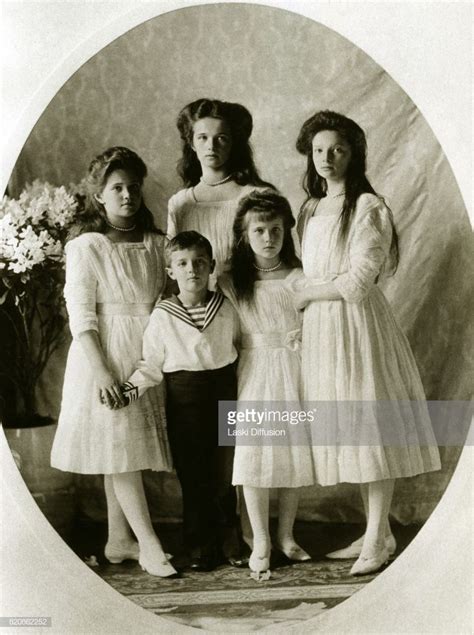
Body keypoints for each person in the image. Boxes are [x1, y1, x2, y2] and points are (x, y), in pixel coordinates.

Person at [294, 111, 441, 575]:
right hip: (322, 330)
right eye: (319, 150)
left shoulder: (368, 206)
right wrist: (306, 310)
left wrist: (304, 296)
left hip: (356, 327)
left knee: (369, 426)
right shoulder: (311, 209)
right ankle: (377, 532)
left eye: (337, 149)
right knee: (350, 430)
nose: (327, 159)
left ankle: (377, 539)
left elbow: (358, 282)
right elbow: (314, 270)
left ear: (354, 153)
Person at [50, 147, 177, 578]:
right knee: (120, 449)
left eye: (133, 187)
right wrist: (101, 369)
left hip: (146, 351)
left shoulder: (158, 244)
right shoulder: (86, 246)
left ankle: (118, 540)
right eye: (117, 188)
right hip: (103, 353)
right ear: (99, 196)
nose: (127, 195)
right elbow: (80, 312)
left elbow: (165, 300)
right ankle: (149, 544)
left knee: (121, 450)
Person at [120, 231, 240, 572]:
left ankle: (230, 539)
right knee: (193, 473)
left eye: (200, 263)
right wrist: (129, 390)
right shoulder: (164, 315)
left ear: (212, 267)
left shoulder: (226, 308)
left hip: (223, 389)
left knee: (227, 470)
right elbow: (151, 366)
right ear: (170, 271)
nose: (192, 270)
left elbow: (240, 350)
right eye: (183, 264)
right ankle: (200, 544)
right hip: (184, 395)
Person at [219, 189, 314, 581]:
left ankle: (286, 535)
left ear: (286, 231)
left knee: (291, 454)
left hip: (293, 369)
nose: (268, 237)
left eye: (275, 229)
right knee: (255, 456)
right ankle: (259, 539)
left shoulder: (299, 276)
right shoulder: (230, 280)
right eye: (259, 229)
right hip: (253, 370)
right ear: (244, 235)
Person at [168, 97, 273, 278]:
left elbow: (276, 261)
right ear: (192, 143)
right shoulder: (180, 203)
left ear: (233, 143)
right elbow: (173, 262)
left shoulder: (258, 196)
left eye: (221, 138)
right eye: (202, 138)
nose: (211, 146)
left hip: (246, 297)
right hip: (196, 301)